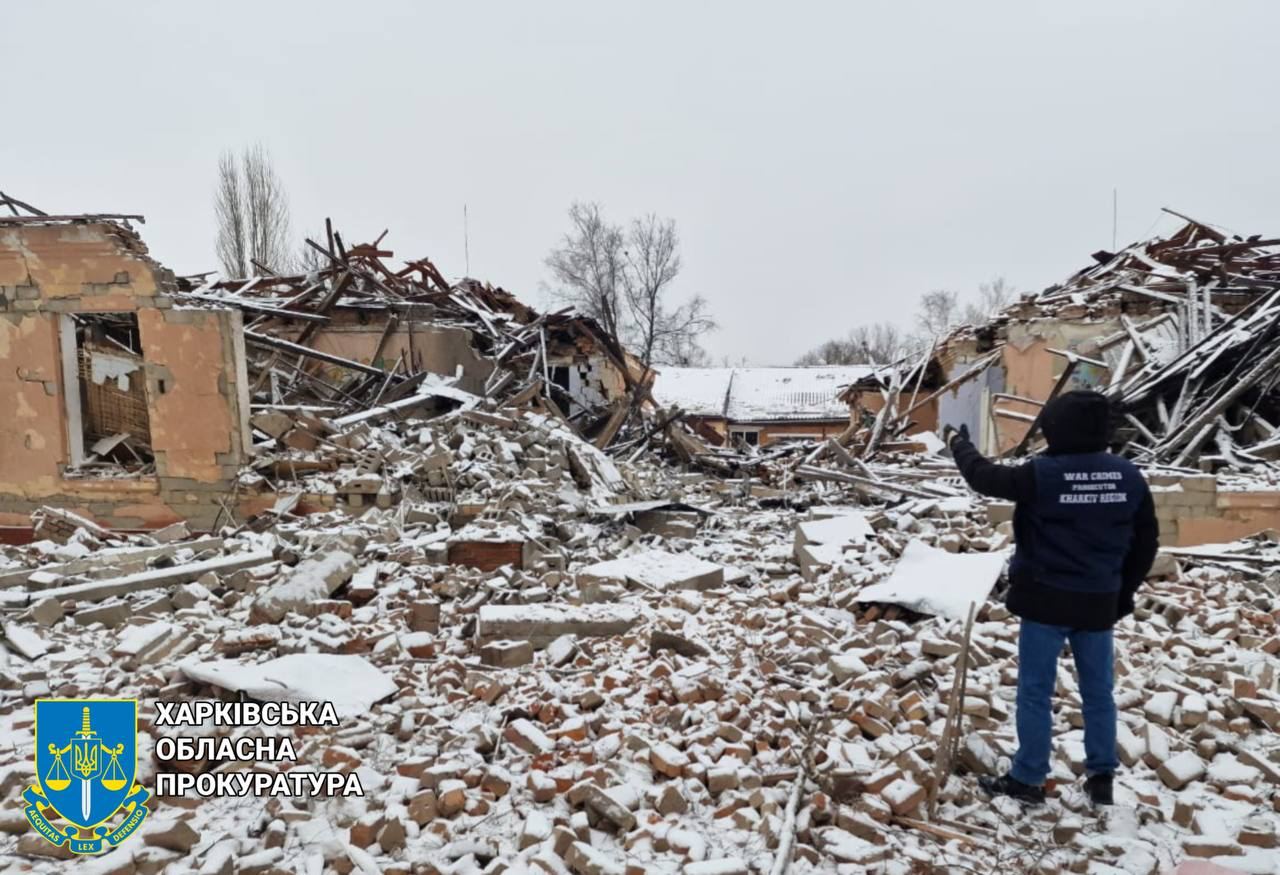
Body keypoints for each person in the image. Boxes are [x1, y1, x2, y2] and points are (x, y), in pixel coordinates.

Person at [943, 390, 1158, 806]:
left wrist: (958, 443)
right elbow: (1146, 543)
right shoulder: (1128, 476)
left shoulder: (1043, 474)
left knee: (1035, 692)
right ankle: (1101, 777)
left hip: (1044, 601)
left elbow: (984, 477)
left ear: (1057, 428)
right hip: (1098, 600)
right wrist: (1123, 592)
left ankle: (1028, 778)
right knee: (1098, 693)